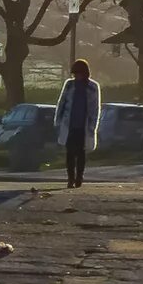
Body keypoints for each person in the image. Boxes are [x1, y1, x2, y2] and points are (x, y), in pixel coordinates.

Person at [54, 60, 100, 188]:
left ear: (85, 73)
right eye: (75, 74)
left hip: (83, 125)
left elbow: (95, 108)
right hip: (69, 124)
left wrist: (93, 126)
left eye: (79, 73)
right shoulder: (69, 85)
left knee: (81, 153)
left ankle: (79, 177)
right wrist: (58, 120)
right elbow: (62, 102)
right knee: (69, 153)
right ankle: (70, 178)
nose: (77, 76)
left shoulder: (93, 87)